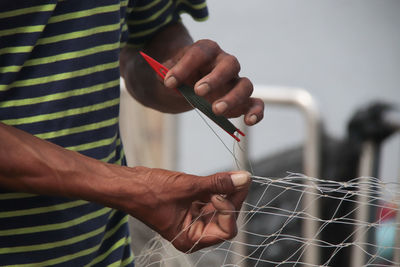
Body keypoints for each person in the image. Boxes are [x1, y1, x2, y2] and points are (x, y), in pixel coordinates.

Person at [0, 1, 264, 265]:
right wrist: (131, 187)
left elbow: (148, 36)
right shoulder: (130, 189)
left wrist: (186, 73)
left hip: (106, 255)